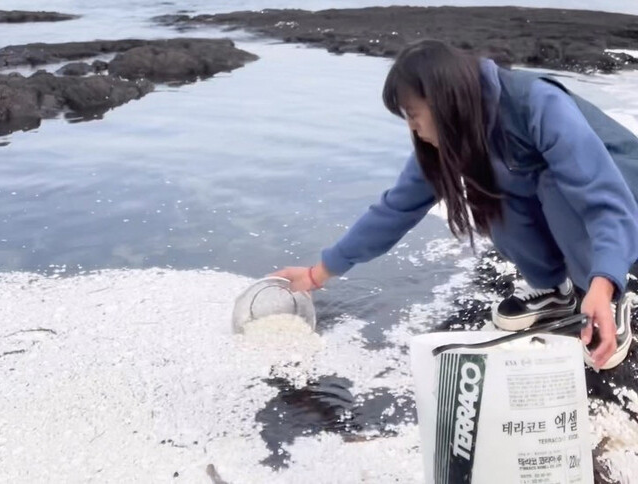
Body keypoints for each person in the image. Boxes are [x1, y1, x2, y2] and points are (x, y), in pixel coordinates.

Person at [273, 40, 638, 370]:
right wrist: (317, 273)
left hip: (624, 201)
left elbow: (603, 199)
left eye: (413, 114)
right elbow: (396, 209)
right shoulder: (455, 132)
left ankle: (605, 289)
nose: (413, 128)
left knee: (551, 180)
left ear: (442, 99)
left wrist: (604, 284)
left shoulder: (538, 103)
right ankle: (553, 291)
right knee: (489, 188)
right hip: (592, 208)